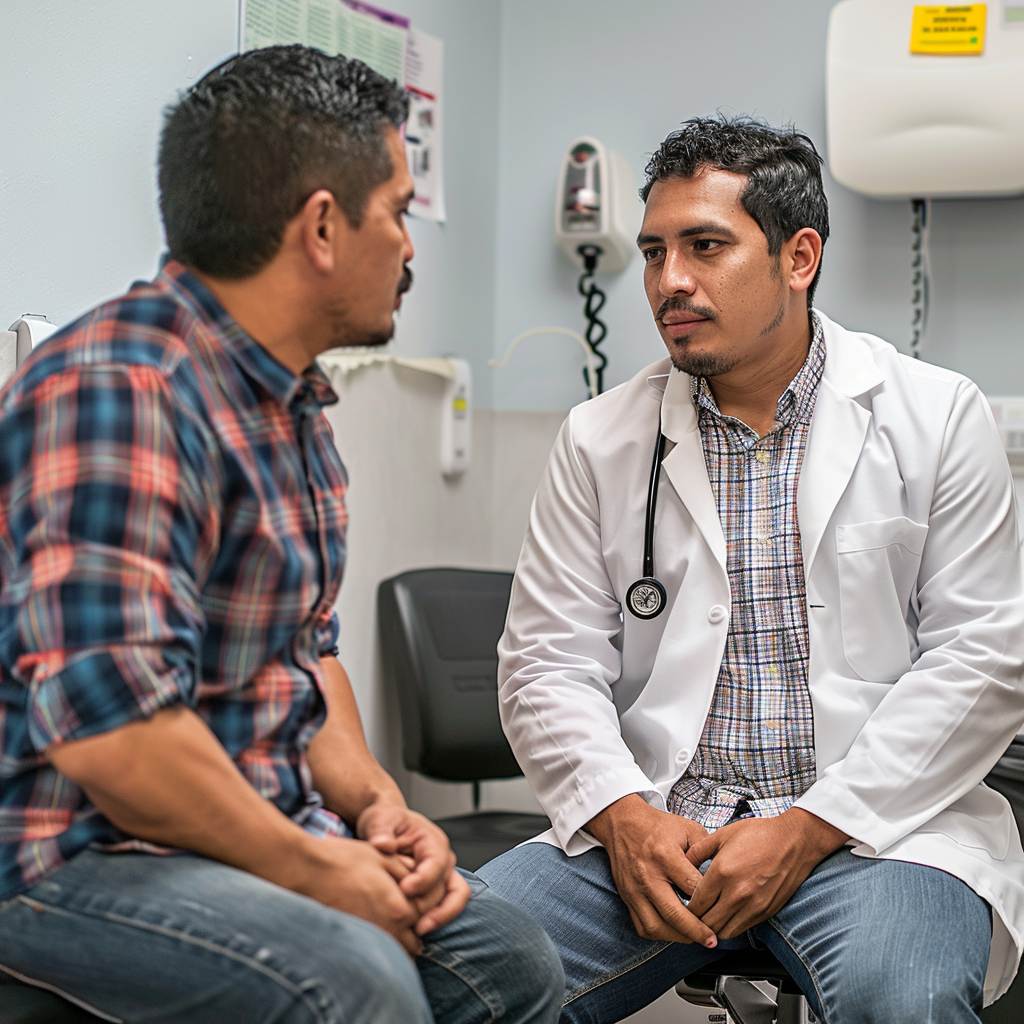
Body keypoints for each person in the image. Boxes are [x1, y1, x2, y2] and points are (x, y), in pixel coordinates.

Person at [0, 45, 563, 1024]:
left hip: (235, 830)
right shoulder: (124, 389)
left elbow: (306, 661)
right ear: (321, 227)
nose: (410, 244)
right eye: (395, 209)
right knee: (355, 978)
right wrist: (319, 871)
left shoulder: (288, 401)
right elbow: (119, 743)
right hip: (66, 853)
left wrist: (381, 811)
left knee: (507, 957)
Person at [478, 116, 1024, 1024]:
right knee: (444, 977)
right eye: (654, 252)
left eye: (705, 246)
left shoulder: (936, 415)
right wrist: (621, 816)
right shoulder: (601, 438)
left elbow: (985, 655)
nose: (669, 282)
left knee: (906, 1002)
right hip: (662, 826)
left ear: (798, 256)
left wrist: (807, 830)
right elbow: (545, 663)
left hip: (874, 831)